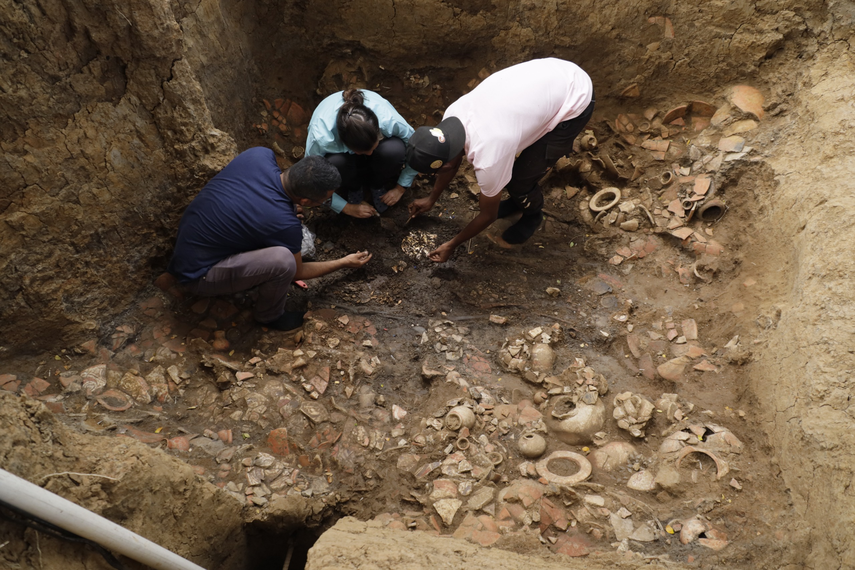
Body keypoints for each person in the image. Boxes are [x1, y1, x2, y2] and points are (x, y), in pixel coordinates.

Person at [405, 58, 595, 262]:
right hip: (550, 76)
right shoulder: (452, 118)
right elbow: (451, 160)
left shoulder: (488, 156)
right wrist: (432, 198)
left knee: (521, 181)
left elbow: (488, 215)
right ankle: (517, 202)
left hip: (574, 98)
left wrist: (451, 245)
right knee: (520, 166)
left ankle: (532, 216)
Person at [166, 147, 372, 331]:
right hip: (197, 275)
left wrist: (288, 209)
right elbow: (297, 272)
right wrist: (343, 262)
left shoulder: (259, 155)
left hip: (190, 244)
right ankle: (269, 316)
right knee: (283, 262)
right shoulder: (286, 225)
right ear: (306, 201)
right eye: (324, 200)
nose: (325, 202)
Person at [306, 88, 418, 218]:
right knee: (337, 162)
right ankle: (354, 187)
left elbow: (416, 150)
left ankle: (377, 184)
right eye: (363, 151)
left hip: (379, 149)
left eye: (373, 148)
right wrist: (347, 208)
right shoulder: (320, 136)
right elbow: (312, 180)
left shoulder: (388, 120)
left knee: (394, 150)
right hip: (343, 159)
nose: (369, 154)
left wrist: (401, 187)